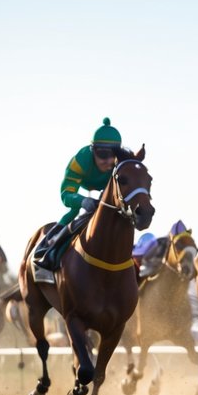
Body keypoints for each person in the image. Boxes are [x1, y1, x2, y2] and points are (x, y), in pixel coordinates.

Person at [30, 118, 123, 282]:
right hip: (82, 188)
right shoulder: (81, 160)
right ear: (92, 150)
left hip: (107, 191)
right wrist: (81, 201)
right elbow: (66, 193)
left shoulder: (119, 163)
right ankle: (46, 253)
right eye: (102, 154)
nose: (107, 160)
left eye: (113, 155)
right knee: (75, 211)